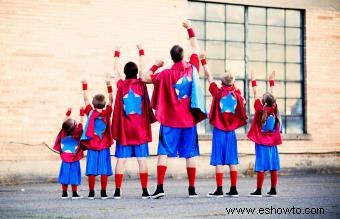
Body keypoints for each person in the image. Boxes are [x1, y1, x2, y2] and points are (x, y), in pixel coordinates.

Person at [143, 20, 207, 199]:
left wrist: (156, 64)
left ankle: (160, 188)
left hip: (170, 121)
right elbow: (196, 48)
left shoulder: (164, 74)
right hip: (188, 121)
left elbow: (144, 77)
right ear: (183, 56)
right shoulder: (192, 69)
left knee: (163, 152)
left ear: (171, 58)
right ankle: (192, 189)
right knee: (190, 153)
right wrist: (189, 28)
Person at [111, 44, 156, 199]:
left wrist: (117, 53)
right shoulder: (142, 84)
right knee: (142, 160)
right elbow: (144, 69)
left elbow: (115, 72)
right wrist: (141, 50)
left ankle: (117, 191)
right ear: (137, 73)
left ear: (125, 73)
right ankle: (144, 191)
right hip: (139, 130)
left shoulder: (121, 85)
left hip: (125, 130)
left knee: (121, 160)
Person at [200, 53, 247, 198]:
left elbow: (208, 76)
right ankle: (233, 189)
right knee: (232, 159)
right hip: (231, 132)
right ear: (232, 83)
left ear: (222, 82)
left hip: (219, 131)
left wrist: (204, 61)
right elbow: (243, 102)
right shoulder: (237, 95)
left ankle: (219, 189)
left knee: (219, 160)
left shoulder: (217, 92)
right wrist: (234, 86)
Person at [247, 70, 282, 197]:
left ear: (263, 102)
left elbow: (255, 93)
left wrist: (253, 80)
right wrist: (271, 81)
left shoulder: (259, 108)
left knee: (261, 165)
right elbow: (273, 95)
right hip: (272, 144)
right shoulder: (275, 109)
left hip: (261, 143)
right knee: (273, 165)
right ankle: (273, 190)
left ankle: (258, 190)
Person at [80, 80, 114, 199]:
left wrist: (84, 85)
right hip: (104, 147)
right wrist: (109, 86)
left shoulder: (90, 113)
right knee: (103, 170)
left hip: (92, 147)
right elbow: (111, 100)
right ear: (104, 104)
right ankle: (103, 192)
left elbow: (85, 100)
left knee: (92, 170)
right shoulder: (107, 113)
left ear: (94, 104)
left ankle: (91, 192)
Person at [53, 107, 85, 199]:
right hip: (74, 159)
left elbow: (64, 122)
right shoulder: (77, 132)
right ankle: (74, 194)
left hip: (65, 159)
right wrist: (81, 113)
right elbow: (81, 122)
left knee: (65, 175)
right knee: (74, 175)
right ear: (75, 127)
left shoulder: (63, 132)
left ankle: (64, 193)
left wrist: (68, 113)